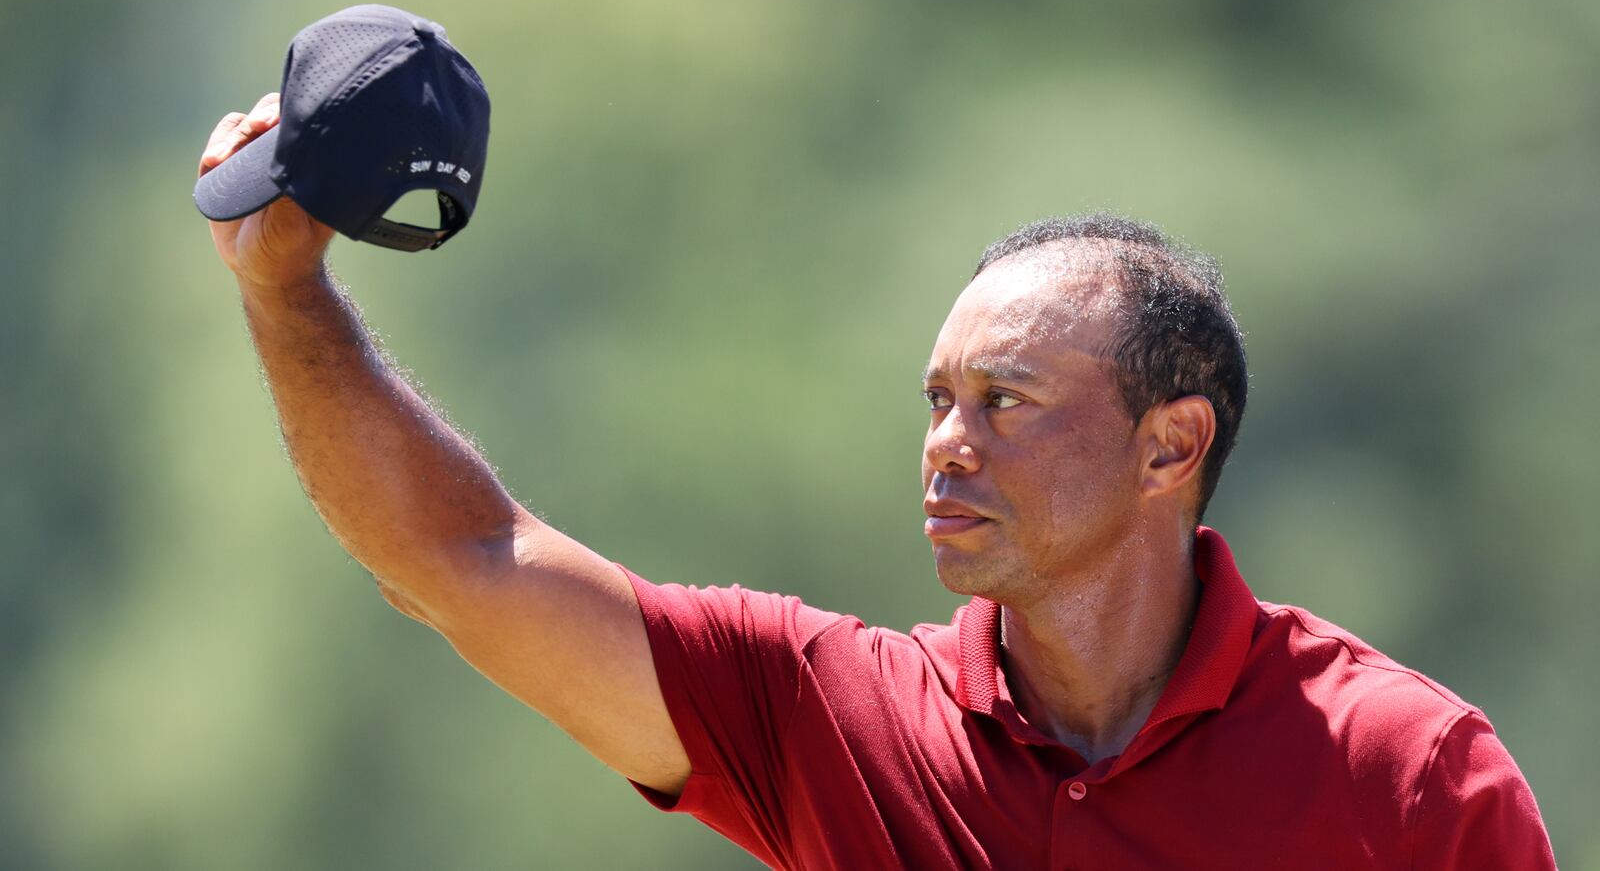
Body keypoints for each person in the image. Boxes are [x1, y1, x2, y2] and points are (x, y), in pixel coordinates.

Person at [199, 94, 1557, 870]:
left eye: (1005, 402)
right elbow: (461, 560)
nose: (946, 444)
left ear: (1171, 445)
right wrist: (284, 286)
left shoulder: (1408, 775)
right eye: (937, 403)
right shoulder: (826, 716)